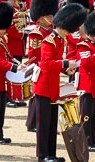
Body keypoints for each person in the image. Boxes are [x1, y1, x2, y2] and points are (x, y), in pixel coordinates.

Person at [33, 3, 87, 162]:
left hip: (53, 87)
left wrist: (66, 70)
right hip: (43, 88)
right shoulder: (49, 40)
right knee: (43, 126)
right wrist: (64, 64)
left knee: (50, 124)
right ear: (64, 26)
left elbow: (55, 64)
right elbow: (45, 64)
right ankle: (42, 156)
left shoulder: (59, 39)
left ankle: (51, 153)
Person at [0, 2, 26, 144]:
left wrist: (17, 62)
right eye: (3, 28)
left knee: (1, 110)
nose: (5, 30)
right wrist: (13, 67)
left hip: (0, 79)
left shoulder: (1, 39)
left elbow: (8, 56)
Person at [26, 0, 58, 132]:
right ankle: (32, 122)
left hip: (47, 67)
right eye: (49, 16)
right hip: (39, 67)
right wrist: (35, 66)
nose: (51, 18)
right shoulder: (37, 33)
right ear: (40, 17)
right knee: (36, 96)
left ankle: (32, 122)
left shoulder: (50, 31)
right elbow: (33, 54)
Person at [76, 11, 95, 152]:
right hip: (87, 86)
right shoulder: (84, 45)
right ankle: (86, 142)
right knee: (87, 116)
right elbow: (85, 62)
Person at [6, 0, 28, 107]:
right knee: (10, 73)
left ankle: (15, 96)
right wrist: (22, 34)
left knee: (17, 74)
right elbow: (8, 29)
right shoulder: (8, 10)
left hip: (18, 46)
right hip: (11, 46)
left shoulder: (17, 10)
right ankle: (8, 98)